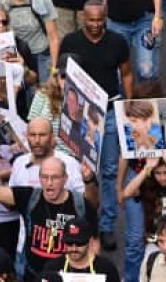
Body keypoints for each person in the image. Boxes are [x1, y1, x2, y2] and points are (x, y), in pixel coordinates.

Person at [60, 0, 133, 251]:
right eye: (90, 20)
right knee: (83, 171)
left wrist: (128, 106)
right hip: (80, 115)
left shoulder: (118, 42)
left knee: (110, 171)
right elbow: (63, 76)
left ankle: (107, 226)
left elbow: (126, 74)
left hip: (111, 111)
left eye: (99, 20)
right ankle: (84, 222)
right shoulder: (70, 42)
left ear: (106, 17)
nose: (94, 25)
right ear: (82, 18)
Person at [0, 152, 97, 279]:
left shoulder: (79, 204)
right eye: (44, 177)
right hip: (33, 276)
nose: (49, 182)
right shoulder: (30, 197)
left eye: (55, 177)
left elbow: (94, 242)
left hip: (68, 279)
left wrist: (88, 274)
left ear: (65, 179)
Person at [3, 0, 58, 83]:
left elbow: (53, 38)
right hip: (16, 54)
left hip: (42, 54)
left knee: (45, 92)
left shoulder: (42, 2)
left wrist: (53, 71)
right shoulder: (0, 3)